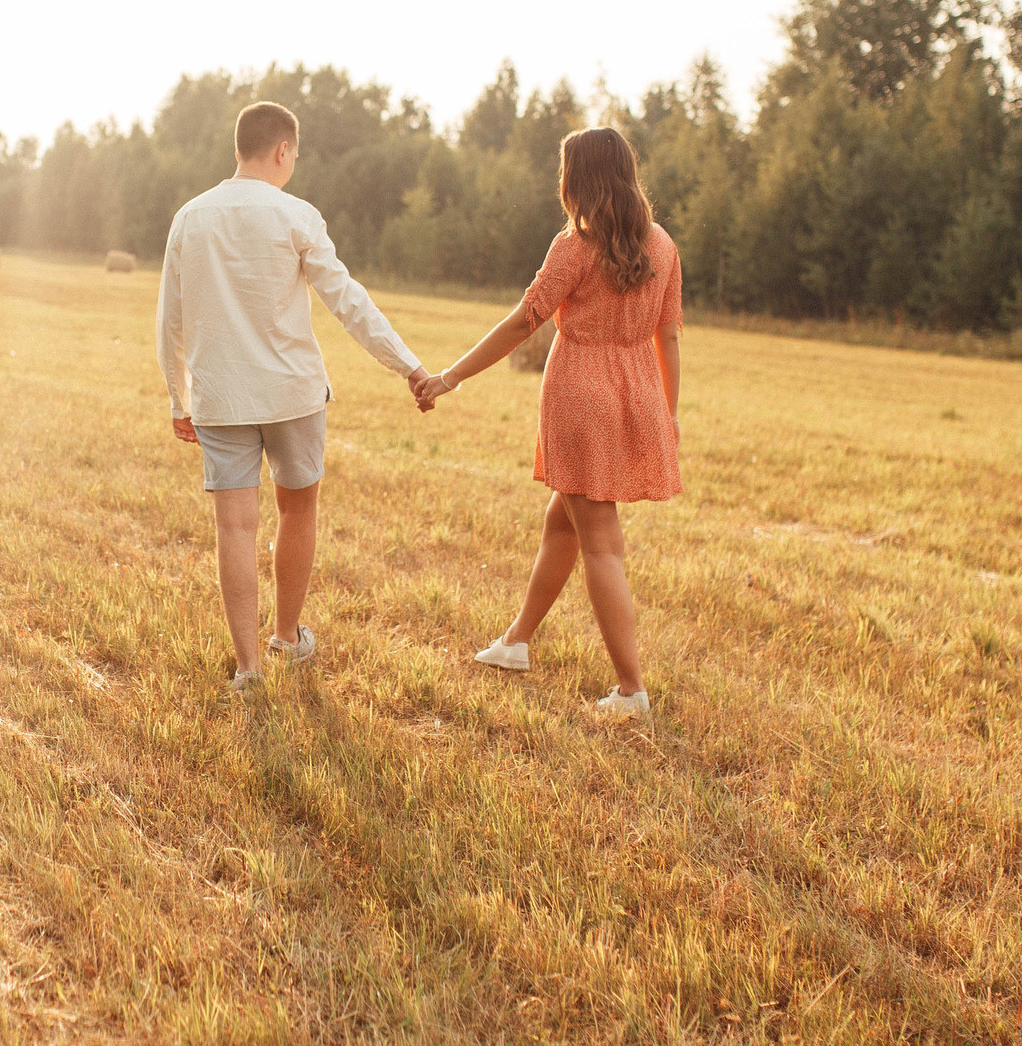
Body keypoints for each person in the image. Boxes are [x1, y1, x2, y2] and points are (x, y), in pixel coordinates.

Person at [157, 100, 434, 697]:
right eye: (295, 155)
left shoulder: (190, 217)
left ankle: (248, 669)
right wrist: (407, 364)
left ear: (240, 147)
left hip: (220, 397)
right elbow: (348, 302)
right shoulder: (296, 215)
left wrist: (178, 398)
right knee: (297, 510)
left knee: (234, 527)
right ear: (283, 150)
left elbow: (169, 318)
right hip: (293, 394)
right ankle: (286, 636)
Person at [415, 126, 682, 719]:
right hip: (634, 392)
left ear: (575, 179)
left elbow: (522, 322)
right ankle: (516, 642)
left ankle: (632, 690)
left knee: (602, 542)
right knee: (564, 521)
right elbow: (668, 335)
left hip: (580, 396)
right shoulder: (662, 244)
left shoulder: (575, 245)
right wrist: (668, 411)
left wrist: (449, 376)